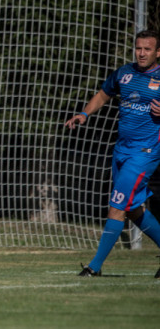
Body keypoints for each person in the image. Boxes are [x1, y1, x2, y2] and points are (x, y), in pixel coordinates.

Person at [64, 29, 160, 278]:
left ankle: (94, 267)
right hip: (121, 151)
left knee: (116, 206)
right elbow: (103, 94)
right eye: (138, 48)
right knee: (133, 209)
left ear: (157, 52)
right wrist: (84, 114)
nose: (141, 53)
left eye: (147, 49)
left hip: (145, 153)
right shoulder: (124, 73)